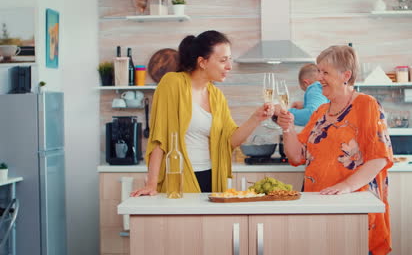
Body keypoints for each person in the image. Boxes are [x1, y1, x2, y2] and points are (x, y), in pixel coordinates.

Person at [277, 45, 393, 255]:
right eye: (318, 71)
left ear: (345, 75)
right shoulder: (321, 111)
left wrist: (347, 185)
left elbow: (379, 158)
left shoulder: (367, 105)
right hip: (318, 205)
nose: (318, 77)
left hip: (353, 207)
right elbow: (296, 156)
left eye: (325, 72)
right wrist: (287, 128)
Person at [131, 30, 273, 196]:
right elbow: (159, 136)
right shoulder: (172, 83)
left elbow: (230, 140)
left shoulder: (217, 95)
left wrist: (256, 118)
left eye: (230, 60)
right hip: (180, 177)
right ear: (202, 62)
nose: (229, 66)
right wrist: (151, 184)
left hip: (212, 177)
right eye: (223, 60)